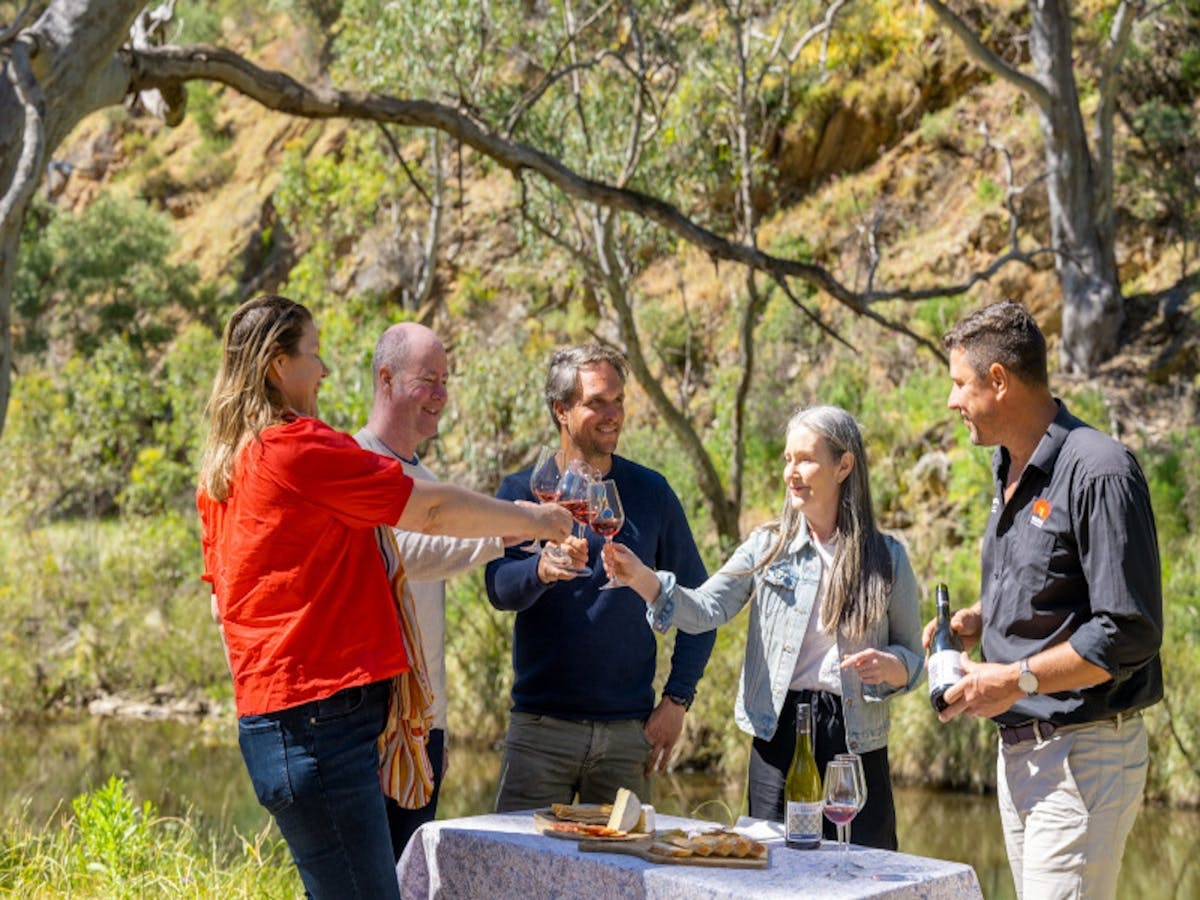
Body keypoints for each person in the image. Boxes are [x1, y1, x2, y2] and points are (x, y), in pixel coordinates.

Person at [196, 295, 571, 899]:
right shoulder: (296, 450)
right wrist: (536, 519)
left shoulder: (223, 471)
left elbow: (224, 610)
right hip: (324, 726)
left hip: (272, 727)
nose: (322, 370)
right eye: (312, 354)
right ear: (275, 365)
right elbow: (432, 509)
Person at [604, 404, 923, 849]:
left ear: (844, 465)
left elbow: (913, 658)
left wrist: (892, 667)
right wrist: (643, 578)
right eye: (788, 459)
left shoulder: (889, 559)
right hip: (778, 732)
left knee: (861, 873)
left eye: (806, 459)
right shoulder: (767, 546)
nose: (792, 471)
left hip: (855, 740)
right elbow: (705, 609)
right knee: (772, 874)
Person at [928, 300, 1163, 900]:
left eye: (959, 384)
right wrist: (984, 618)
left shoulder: (1101, 471)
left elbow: (1126, 631)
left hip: (1082, 759)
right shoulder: (1008, 465)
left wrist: (1011, 680)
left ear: (999, 381)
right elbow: (1055, 582)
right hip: (1022, 759)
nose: (952, 402)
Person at [485, 344, 716, 810]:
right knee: (516, 879)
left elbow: (701, 604)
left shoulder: (651, 492)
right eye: (596, 402)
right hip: (538, 735)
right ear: (561, 409)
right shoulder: (522, 491)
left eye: (618, 401)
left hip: (628, 740)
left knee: (622, 882)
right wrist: (540, 571)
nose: (613, 414)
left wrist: (677, 701)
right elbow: (499, 588)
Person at [355, 321, 506, 860]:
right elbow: (402, 555)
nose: (441, 394)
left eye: (445, 380)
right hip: (368, 721)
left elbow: (429, 626)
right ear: (386, 379)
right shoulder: (356, 466)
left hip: (422, 726)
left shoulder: (427, 477)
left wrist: (436, 730)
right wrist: (507, 532)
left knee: (405, 881)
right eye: (428, 380)